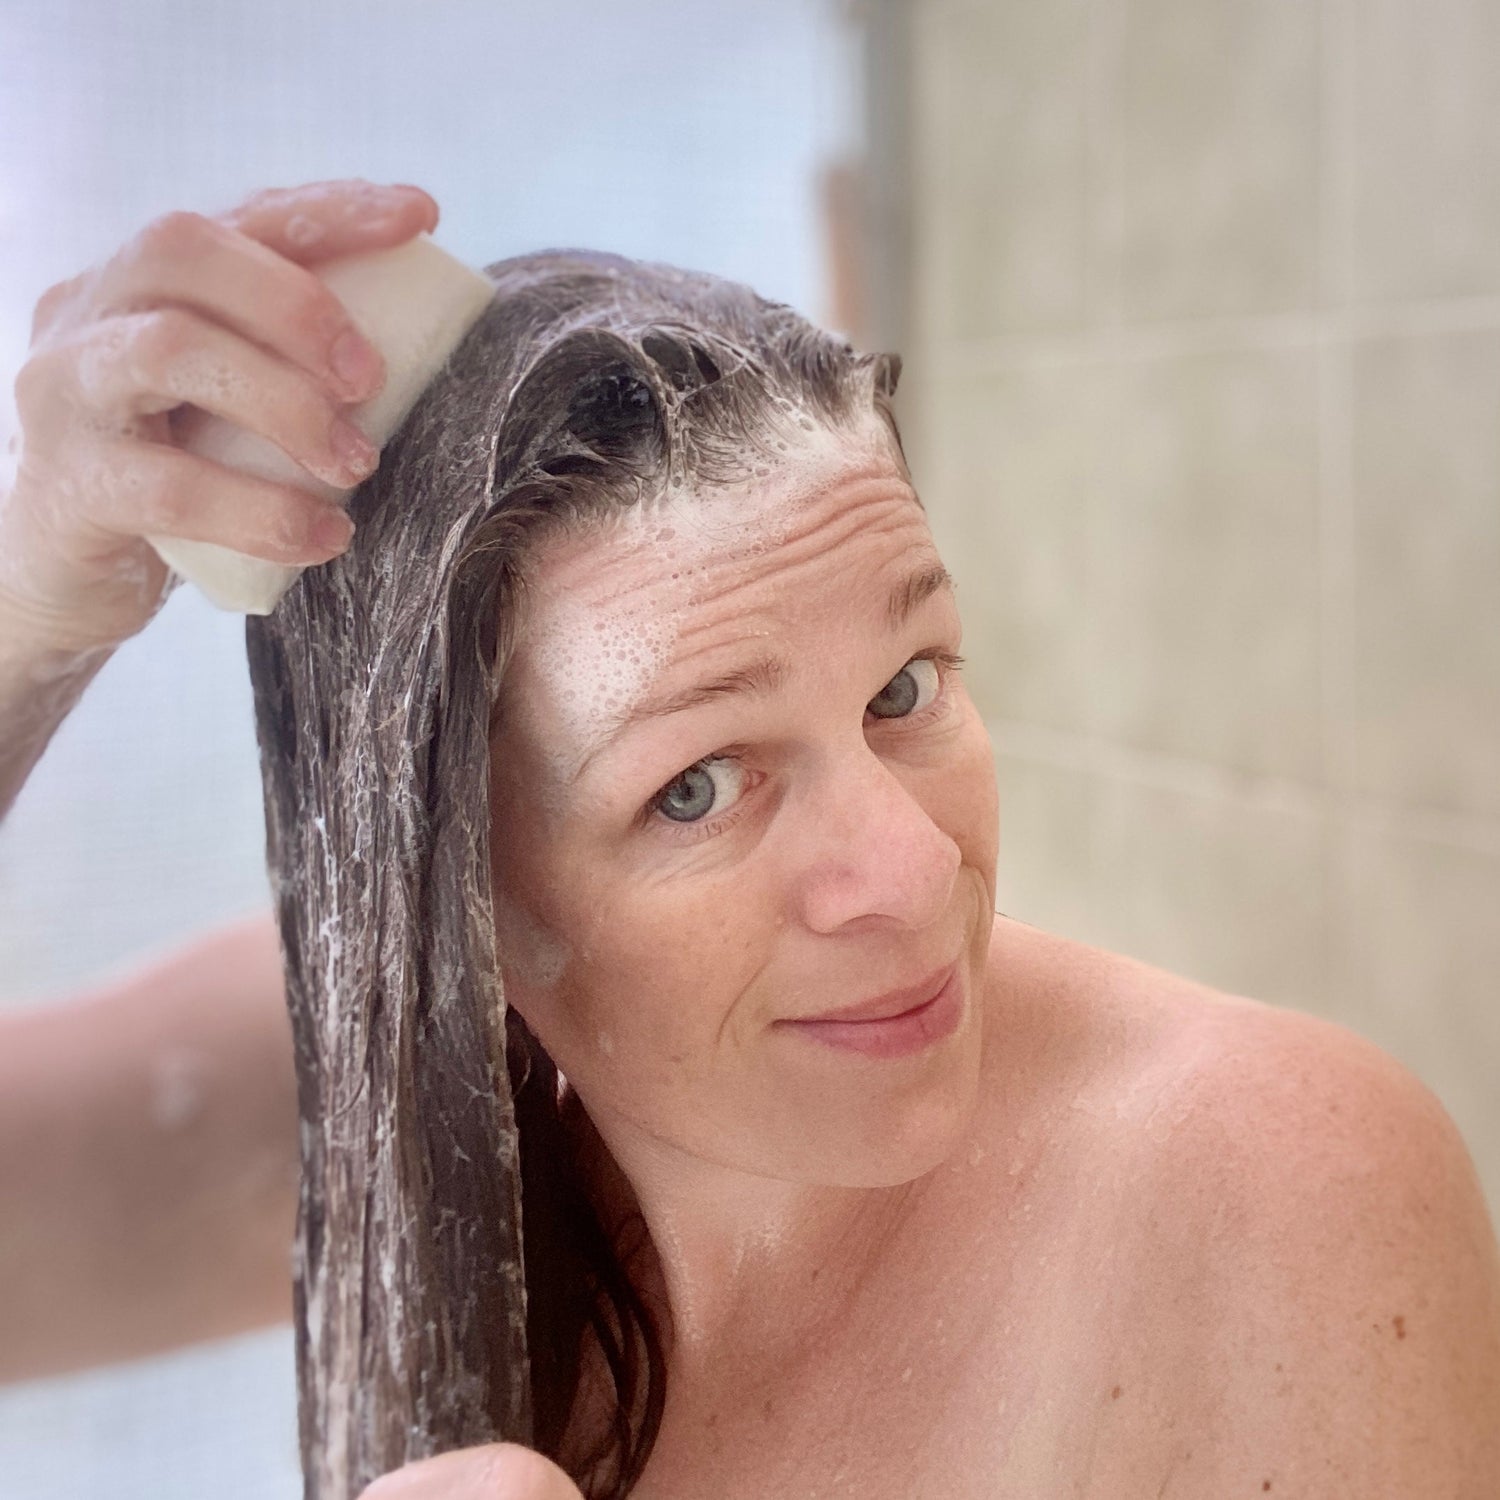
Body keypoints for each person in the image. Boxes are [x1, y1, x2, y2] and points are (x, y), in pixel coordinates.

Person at [1, 178, 1497, 1500]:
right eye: (702, 786)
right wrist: (30, 609)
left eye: (904, 690)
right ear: (466, 903)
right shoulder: (370, 1088)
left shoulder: (1270, 1189)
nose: (913, 872)